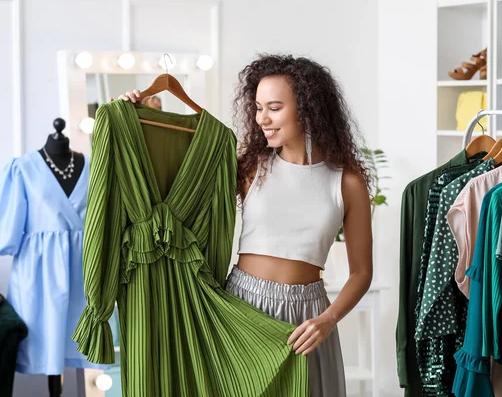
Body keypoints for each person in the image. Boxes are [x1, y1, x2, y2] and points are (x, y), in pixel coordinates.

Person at [118, 54, 373, 397]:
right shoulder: (249, 168)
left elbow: (361, 272)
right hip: (242, 307)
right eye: (258, 107)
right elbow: (169, 176)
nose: (262, 118)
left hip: (309, 316)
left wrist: (328, 320)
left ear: (308, 108)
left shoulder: (348, 183)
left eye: (274, 107)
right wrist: (129, 117)